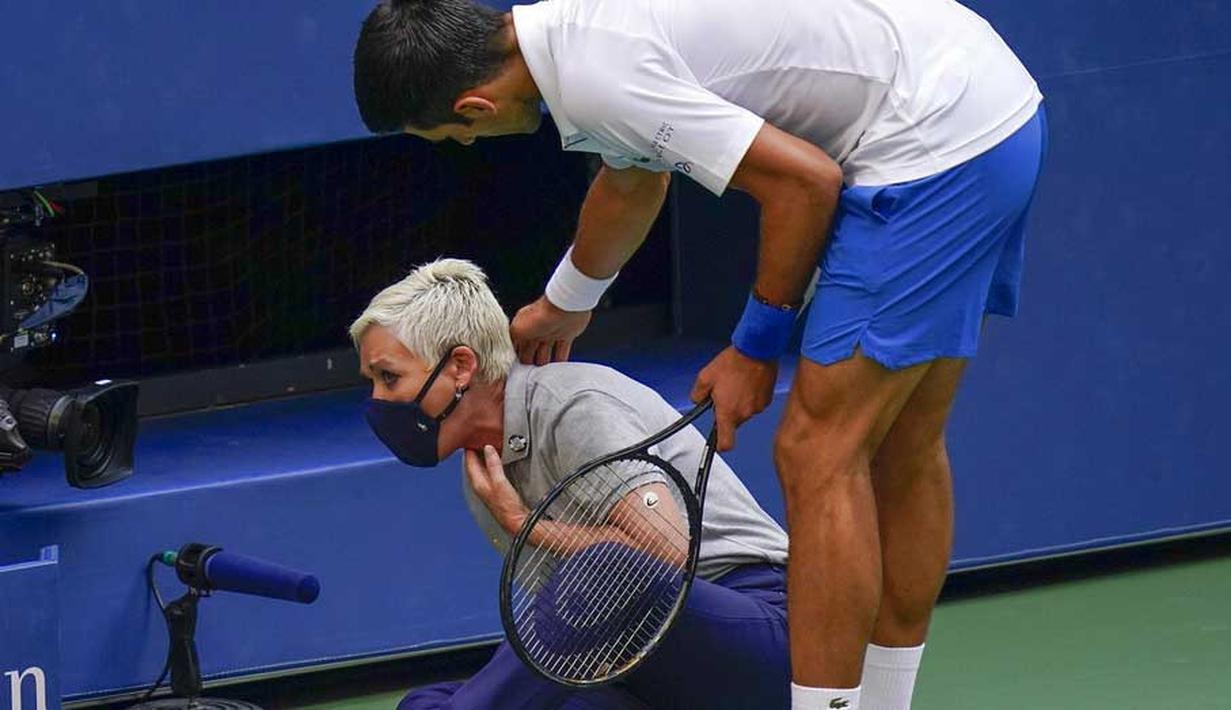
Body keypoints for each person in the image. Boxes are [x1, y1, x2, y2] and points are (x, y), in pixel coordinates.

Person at [352, 1, 1047, 706]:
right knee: (901, 443)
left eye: (451, 136)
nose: (466, 145)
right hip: (987, 103)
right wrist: (567, 299)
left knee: (816, 450)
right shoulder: (568, 35)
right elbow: (631, 179)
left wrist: (753, 349)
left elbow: (805, 183)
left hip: (930, 138)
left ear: (474, 104)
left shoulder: (596, 77)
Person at [351, 258, 791, 709]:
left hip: (762, 630)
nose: (378, 402)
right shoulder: (485, 467)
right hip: (648, 666)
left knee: (607, 568)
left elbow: (667, 552)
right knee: (426, 701)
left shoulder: (575, 405)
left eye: (390, 378)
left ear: (460, 366)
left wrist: (527, 526)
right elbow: (568, 636)